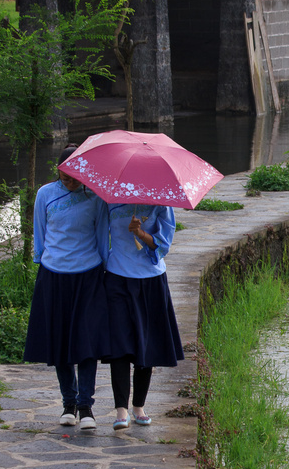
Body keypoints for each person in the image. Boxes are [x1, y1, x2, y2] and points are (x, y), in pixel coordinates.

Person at [23, 145, 110, 429]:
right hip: (54, 275)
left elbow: (100, 237)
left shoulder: (96, 197)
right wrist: (42, 264)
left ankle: (86, 406)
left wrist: (104, 270)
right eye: (64, 176)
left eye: (74, 176)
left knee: (87, 342)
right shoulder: (45, 195)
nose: (69, 181)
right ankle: (68, 404)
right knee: (60, 342)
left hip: (88, 275)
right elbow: (41, 234)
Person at [104, 203, 184, 429]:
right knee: (119, 343)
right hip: (117, 276)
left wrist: (140, 233)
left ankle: (138, 406)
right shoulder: (110, 200)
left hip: (150, 280)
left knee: (145, 342)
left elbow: (164, 245)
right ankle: (121, 409)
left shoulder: (161, 203)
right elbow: (100, 235)